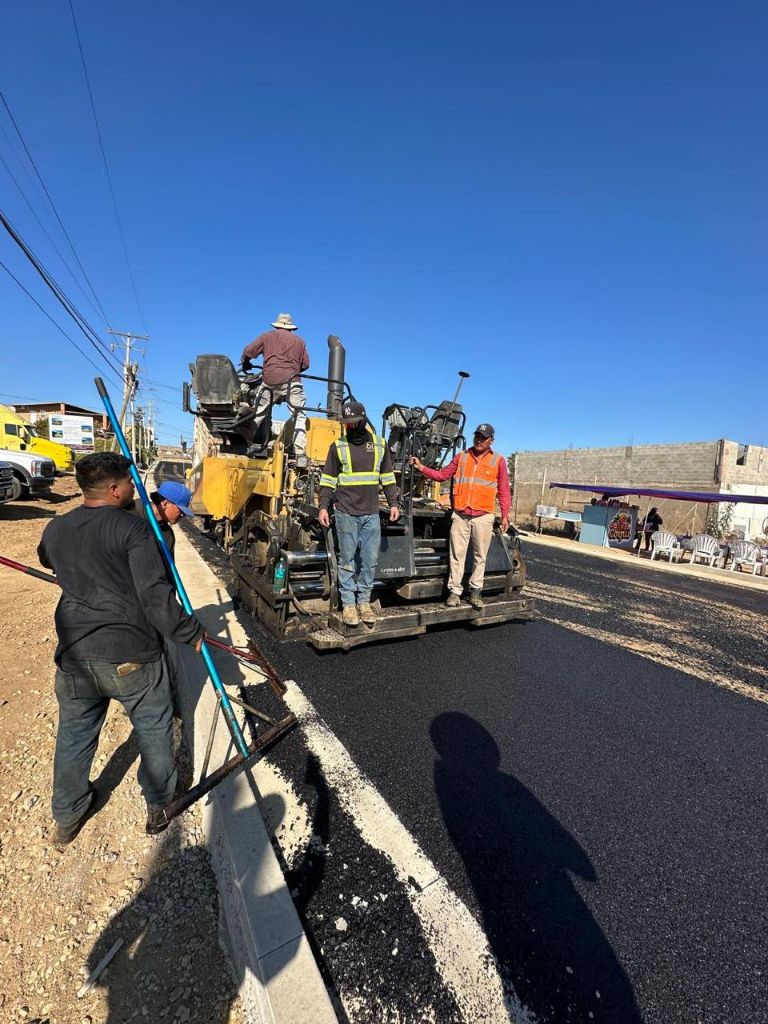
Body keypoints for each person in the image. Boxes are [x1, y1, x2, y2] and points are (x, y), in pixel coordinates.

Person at [38, 453, 205, 849]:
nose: (135, 490)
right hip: (132, 655)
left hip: (76, 655)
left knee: (75, 736)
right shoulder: (135, 531)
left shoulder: (57, 527)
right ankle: (160, 806)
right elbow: (154, 598)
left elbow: (47, 558)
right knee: (153, 730)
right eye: (130, 483)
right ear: (114, 489)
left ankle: (68, 814)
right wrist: (190, 630)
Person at [410, 423, 510, 609]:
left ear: (491, 440)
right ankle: (455, 592)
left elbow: (504, 490)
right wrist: (421, 467)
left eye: (483, 437)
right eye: (477, 436)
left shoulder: (498, 461)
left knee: (480, 556)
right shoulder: (462, 457)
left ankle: (475, 592)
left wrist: (505, 515)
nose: (479, 440)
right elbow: (442, 475)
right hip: (461, 515)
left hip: (483, 516)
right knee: (457, 555)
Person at [318, 400, 400, 627]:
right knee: (346, 561)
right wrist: (323, 506)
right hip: (345, 513)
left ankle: (364, 602)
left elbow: (388, 478)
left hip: (371, 514)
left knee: (370, 561)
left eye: (352, 424)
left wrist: (394, 503)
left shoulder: (379, 445)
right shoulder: (338, 447)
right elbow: (328, 480)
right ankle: (349, 605)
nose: (349, 428)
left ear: (362, 420)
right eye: (346, 424)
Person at [240, 312, 310, 460]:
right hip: (292, 382)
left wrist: (245, 362)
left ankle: (245, 442)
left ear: (277, 325)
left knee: (258, 412)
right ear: (291, 328)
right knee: (299, 415)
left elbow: (249, 351)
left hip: (269, 381)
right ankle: (299, 452)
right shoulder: (300, 342)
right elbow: (305, 364)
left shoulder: (267, 336)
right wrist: (292, 370)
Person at [128, 480, 195, 561]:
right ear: (165, 503)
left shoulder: (167, 536)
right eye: (180, 510)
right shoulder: (129, 512)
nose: (182, 514)